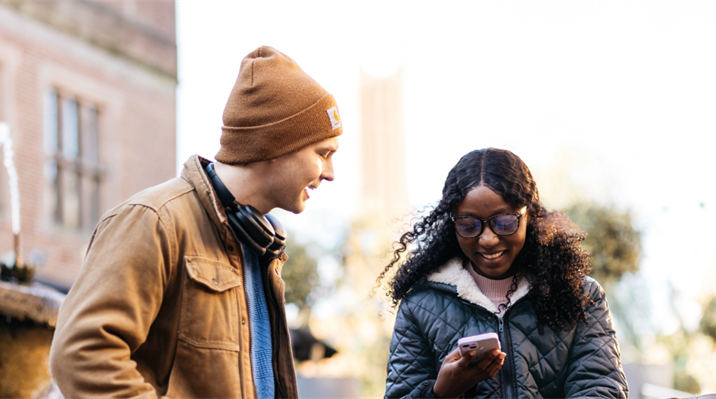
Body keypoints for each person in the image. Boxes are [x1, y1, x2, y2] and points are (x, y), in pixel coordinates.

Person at [49, 46, 342, 399]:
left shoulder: (260, 245)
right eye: (323, 154)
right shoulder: (153, 220)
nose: (330, 174)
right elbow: (81, 355)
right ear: (274, 144)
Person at [380, 148, 629, 399]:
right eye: (469, 225)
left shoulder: (582, 295)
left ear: (528, 215)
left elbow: (601, 388)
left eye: (504, 222)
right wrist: (442, 394)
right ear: (452, 223)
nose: (488, 239)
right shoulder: (419, 307)